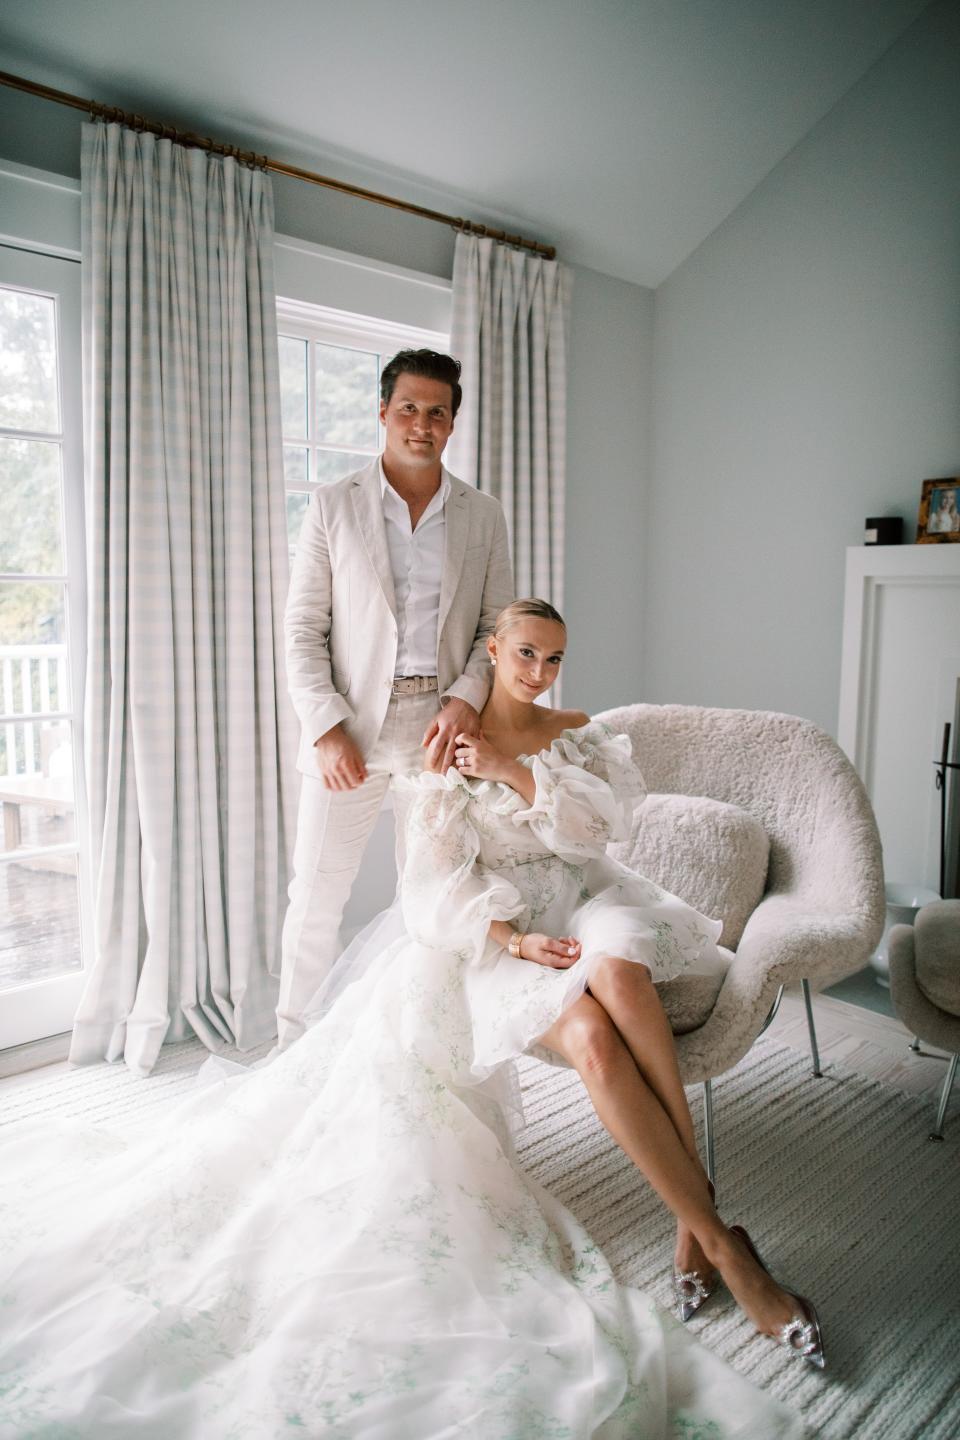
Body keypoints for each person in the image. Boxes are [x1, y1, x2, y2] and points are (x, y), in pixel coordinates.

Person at [0, 599, 815, 1438]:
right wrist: (512, 937)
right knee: (597, 1042)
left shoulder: (573, 734)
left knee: (625, 977)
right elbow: (431, 894)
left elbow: (599, 834)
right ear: (492, 650)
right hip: (502, 939)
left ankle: (698, 1221)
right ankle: (720, 1241)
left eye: (554, 658)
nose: (539, 673)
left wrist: (512, 769)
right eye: (525, 654)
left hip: (588, 903)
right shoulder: (440, 757)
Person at [278, 348, 513, 1049]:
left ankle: (426, 1054)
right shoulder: (333, 505)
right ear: (383, 413)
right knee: (316, 896)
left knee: (436, 901)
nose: (421, 423)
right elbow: (302, 629)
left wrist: (469, 699)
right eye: (408, 408)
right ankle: (291, 1048)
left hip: (440, 737)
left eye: (437, 412)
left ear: (452, 423)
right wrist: (324, 728)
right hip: (350, 732)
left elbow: (495, 629)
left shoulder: (483, 515)